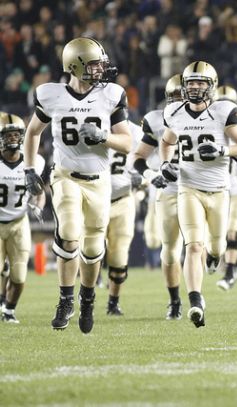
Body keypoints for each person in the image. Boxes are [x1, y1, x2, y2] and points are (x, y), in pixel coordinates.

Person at [23, 37, 132, 334]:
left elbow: (126, 142)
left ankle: (87, 299)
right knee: (70, 234)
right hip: (66, 176)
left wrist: (102, 136)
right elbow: (33, 133)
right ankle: (65, 299)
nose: (101, 69)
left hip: (99, 181)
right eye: (95, 64)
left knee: (94, 247)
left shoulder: (110, 95)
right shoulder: (52, 95)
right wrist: (30, 168)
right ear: (76, 65)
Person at [159, 61, 237, 328]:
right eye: (190, 83)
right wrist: (165, 163)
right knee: (193, 245)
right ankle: (196, 300)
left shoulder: (224, 111)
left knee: (217, 247)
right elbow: (166, 142)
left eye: (200, 83)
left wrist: (222, 151)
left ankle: (214, 258)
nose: (195, 87)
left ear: (211, 86)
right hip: (188, 188)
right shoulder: (174, 112)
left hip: (219, 191)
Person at [133, 74, 184, 320]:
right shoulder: (156, 120)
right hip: (168, 189)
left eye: (182, 97)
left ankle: (195, 296)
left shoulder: (212, 117)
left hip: (202, 188)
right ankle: (175, 301)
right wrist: (151, 174)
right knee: (168, 250)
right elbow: (138, 157)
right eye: (174, 98)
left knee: (202, 246)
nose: (180, 102)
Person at [0, 112, 45, 323]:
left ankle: (9, 310)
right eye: (8, 136)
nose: (13, 140)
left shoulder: (34, 161)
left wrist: (38, 206)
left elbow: (40, 191)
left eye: (17, 135)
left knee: (19, 276)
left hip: (19, 222)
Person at [104, 120, 143, 315]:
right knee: (90, 252)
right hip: (94, 200)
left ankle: (113, 302)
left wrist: (142, 176)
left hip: (123, 200)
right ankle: (86, 299)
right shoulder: (92, 122)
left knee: (119, 257)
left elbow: (150, 161)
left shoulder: (136, 132)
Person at [215, 85, 237, 291]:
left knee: (232, 231)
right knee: (218, 236)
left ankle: (230, 272)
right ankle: (235, 260)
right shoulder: (208, 122)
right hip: (218, 188)